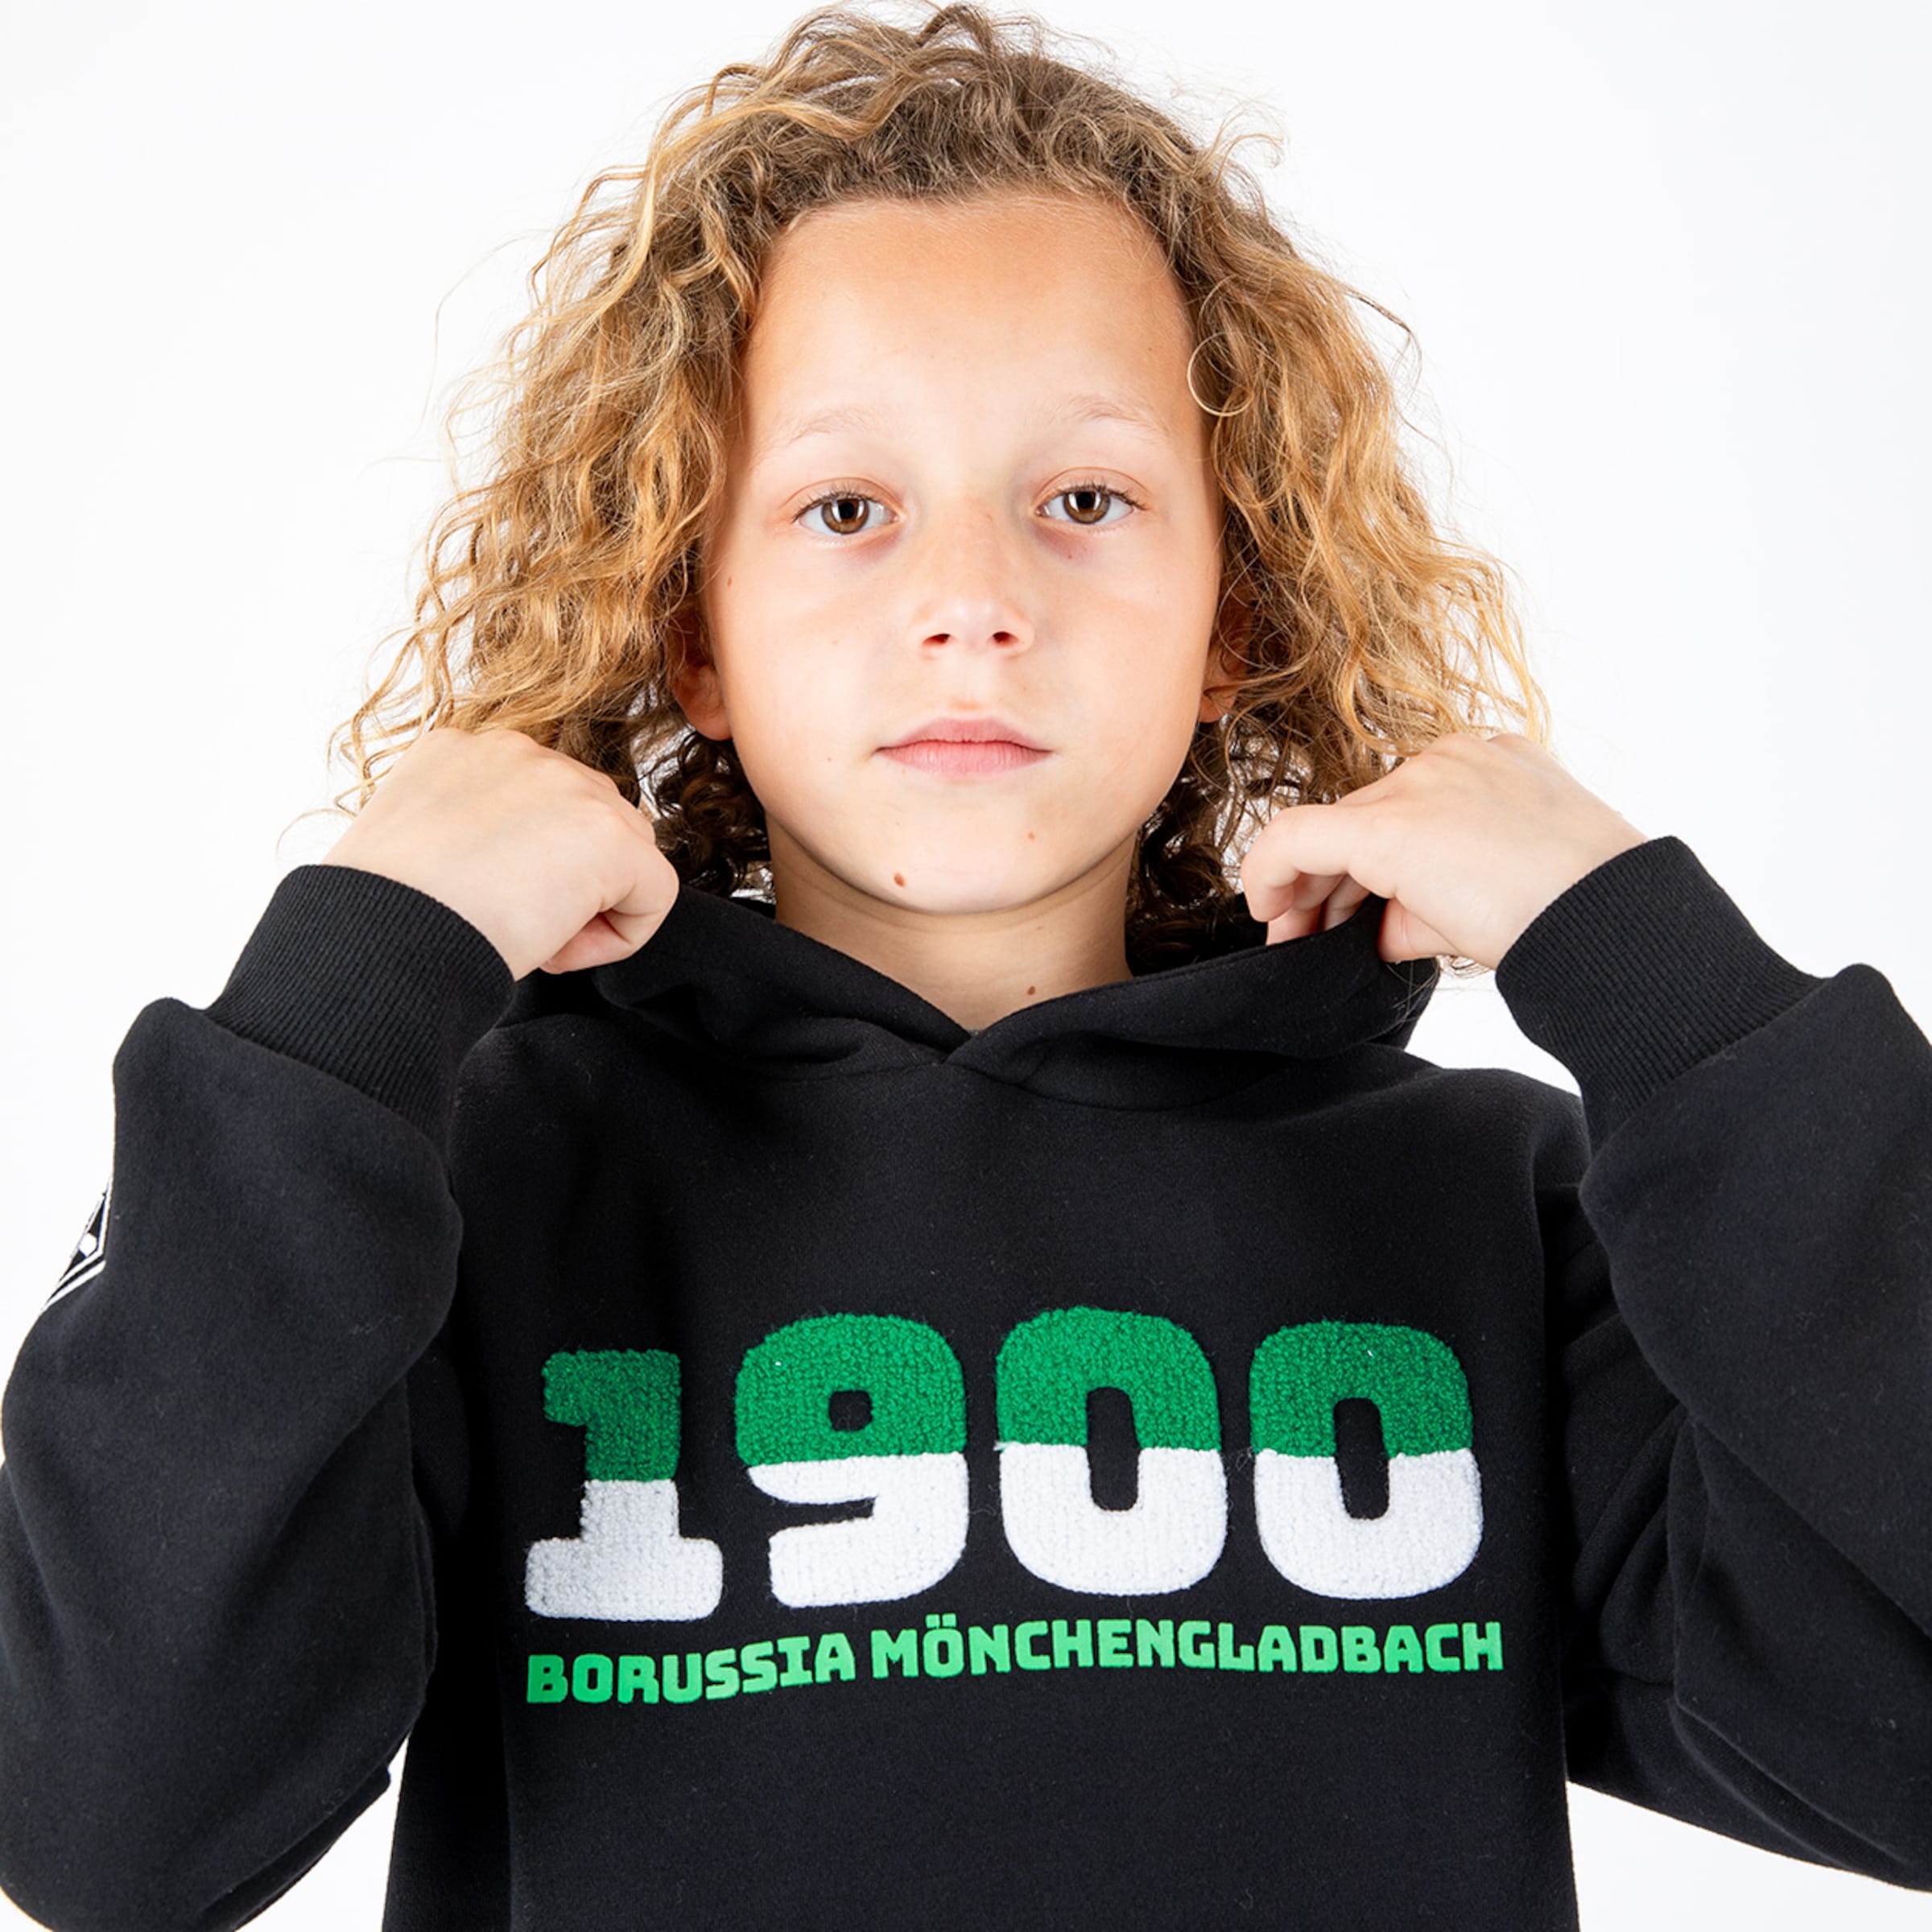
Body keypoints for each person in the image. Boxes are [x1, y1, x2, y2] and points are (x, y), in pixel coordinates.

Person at [2, 5, 1928, 1928]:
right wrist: (344, 1002)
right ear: (693, 630)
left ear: (1232, 613)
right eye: (847, 510)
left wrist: (1670, 988)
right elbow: (101, 1821)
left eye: (1085, 501)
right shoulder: (468, 1196)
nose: (973, 605)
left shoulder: (1489, 1217)